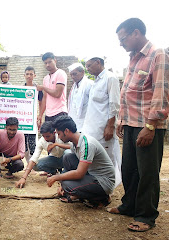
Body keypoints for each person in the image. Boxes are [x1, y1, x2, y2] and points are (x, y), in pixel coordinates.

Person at [107, 18, 169, 232]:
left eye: (122, 38)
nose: (121, 43)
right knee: (129, 169)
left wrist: (151, 126)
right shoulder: (133, 58)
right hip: (131, 124)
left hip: (148, 126)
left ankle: (146, 216)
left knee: (147, 172)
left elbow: (161, 93)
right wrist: (122, 120)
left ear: (136, 33)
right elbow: (129, 92)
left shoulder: (157, 54)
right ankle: (129, 205)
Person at [47, 115, 115, 208]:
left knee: (67, 185)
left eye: (59, 134)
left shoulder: (87, 144)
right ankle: (81, 193)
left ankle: (101, 197)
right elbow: (69, 165)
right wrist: (61, 184)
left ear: (66, 131)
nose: (59, 137)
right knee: (68, 157)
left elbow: (79, 173)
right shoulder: (76, 142)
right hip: (92, 174)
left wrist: (57, 178)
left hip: (103, 181)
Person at [83, 56, 122, 187]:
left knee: (107, 158)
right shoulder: (95, 81)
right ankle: (96, 184)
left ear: (98, 62)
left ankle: (109, 187)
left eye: (89, 66)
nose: (87, 69)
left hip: (104, 128)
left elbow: (114, 104)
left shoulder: (110, 78)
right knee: (94, 157)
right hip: (92, 128)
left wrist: (110, 126)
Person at [15, 121, 70, 188]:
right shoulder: (41, 141)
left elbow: (72, 147)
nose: (45, 138)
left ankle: (68, 174)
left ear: (54, 133)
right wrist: (23, 178)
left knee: (68, 153)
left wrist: (56, 144)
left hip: (67, 159)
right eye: (43, 136)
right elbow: (34, 158)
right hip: (55, 159)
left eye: (48, 136)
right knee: (36, 165)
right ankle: (53, 172)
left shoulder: (61, 135)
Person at [37, 52, 68, 128]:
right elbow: (45, 98)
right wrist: (40, 115)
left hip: (60, 112)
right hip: (48, 114)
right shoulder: (45, 78)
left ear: (55, 60)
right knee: (49, 138)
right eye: (45, 63)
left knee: (60, 138)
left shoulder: (61, 73)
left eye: (49, 62)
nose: (47, 65)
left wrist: (44, 88)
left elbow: (57, 94)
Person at [23, 66, 43, 163]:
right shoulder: (20, 89)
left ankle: (32, 164)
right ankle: (27, 163)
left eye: (31, 74)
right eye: (27, 74)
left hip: (33, 120)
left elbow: (41, 103)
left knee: (32, 142)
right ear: (24, 75)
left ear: (34, 75)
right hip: (22, 120)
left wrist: (40, 116)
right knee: (24, 142)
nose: (29, 76)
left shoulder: (38, 89)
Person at [67, 62, 93, 132]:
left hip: (86, 121)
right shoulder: (74, 87)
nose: (73, 77)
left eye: (75, 74)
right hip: (75, 121)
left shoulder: (90, 84)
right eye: (71, 75)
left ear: (82, 72)